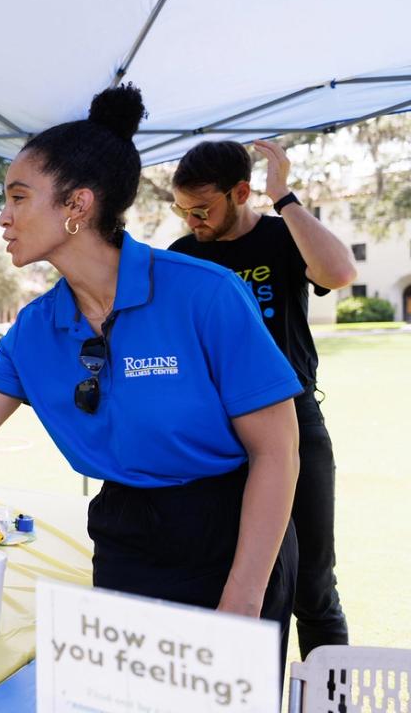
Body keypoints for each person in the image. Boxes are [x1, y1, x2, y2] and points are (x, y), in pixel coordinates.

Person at [0, 84, 302, 667]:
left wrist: (242, 600)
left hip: (230, 535)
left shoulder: (204, 293)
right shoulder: (36, 328)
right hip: (125, 535)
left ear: (77, 206)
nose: (3, 216)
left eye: (19, 198)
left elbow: (277, 451)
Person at [168, 139, 356, 658]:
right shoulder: (185, 256)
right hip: (217, 436)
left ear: (241, 192)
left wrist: (286, 199)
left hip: (296, 425)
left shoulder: (281, 236)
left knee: (314, 588)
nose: (192, 222)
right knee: (241, 583)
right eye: (181, 210)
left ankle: (330, 699)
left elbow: (339, 273)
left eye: (202, 210)